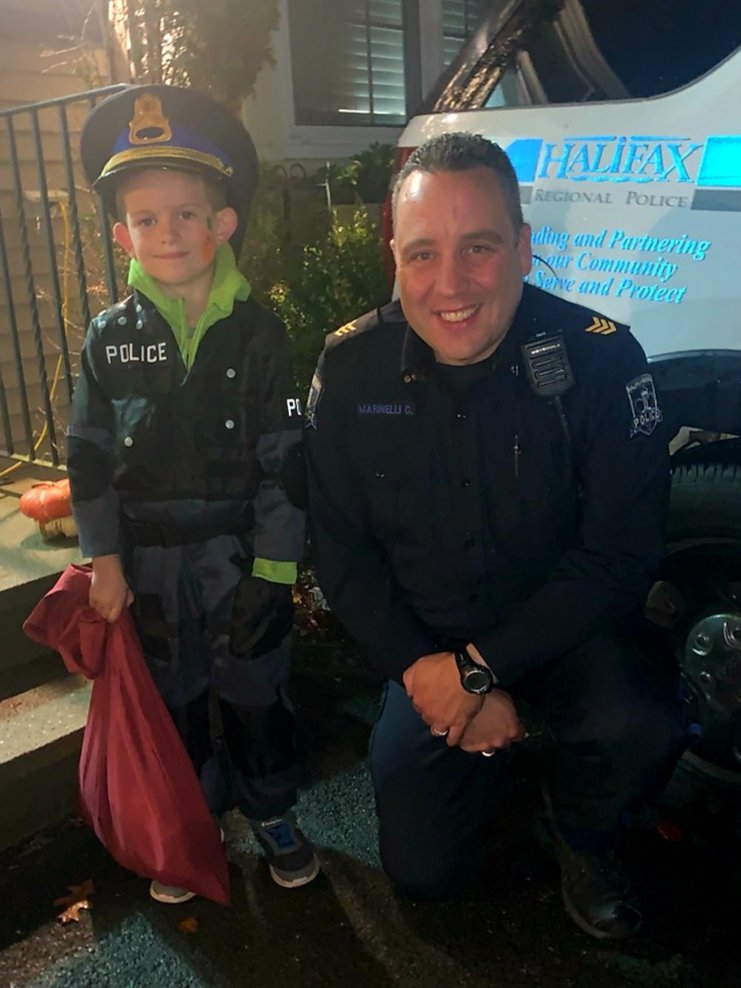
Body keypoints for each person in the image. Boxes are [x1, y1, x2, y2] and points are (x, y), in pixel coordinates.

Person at [304, 132, 686, 940]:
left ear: (521, 248)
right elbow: (339, 554)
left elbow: (619, 557)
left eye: (477, 247)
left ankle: (583, 832)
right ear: (394, 261)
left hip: (569, 637)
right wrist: (426, 673)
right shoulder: (349, 371)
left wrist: (480, 673)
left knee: (640, 725)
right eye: (421, 255)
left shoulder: (603, 361)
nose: (449, 284)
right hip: (429, 646)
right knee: (426, 877)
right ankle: (499, 760)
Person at [69, 85, 319, 903]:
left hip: (239, 554)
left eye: (186, 214)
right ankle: (196, 817)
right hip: (145, 565)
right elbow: (89, 455)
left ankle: (272, 811)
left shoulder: (262, 332)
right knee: (175, 700)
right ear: (120, 233)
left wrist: (276, 575)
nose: (166, 234)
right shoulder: (108, 340)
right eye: (145, 219)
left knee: (254, 690)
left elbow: (288, 457)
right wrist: (104, 559)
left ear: (223, 224)